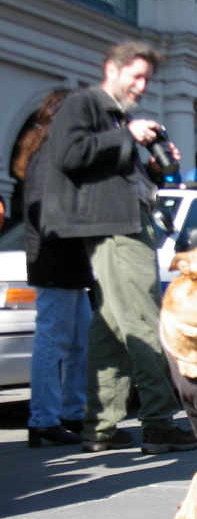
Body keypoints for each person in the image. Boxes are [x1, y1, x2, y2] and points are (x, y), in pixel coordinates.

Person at [42, 40, 197, 455]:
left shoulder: (114, 115)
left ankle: (101, 427)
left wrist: (148, 165)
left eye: (148, 78)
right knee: (146, 320)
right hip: (115, 228)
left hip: (123, 221)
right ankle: (160, 422)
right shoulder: (85, 104)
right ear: (112, 68)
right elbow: (69, 155)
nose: (143, 85)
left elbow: (110, 173)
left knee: (111, 326)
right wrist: (127, 134)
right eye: (137, 76)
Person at [13, 90, 92, 447]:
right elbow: (49, 214)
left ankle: (71, 413)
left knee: (78, 341)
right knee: (54, 342)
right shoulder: (49, 158)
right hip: (55, 263)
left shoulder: (53, 153)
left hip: (68, 265)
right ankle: (43, 419)